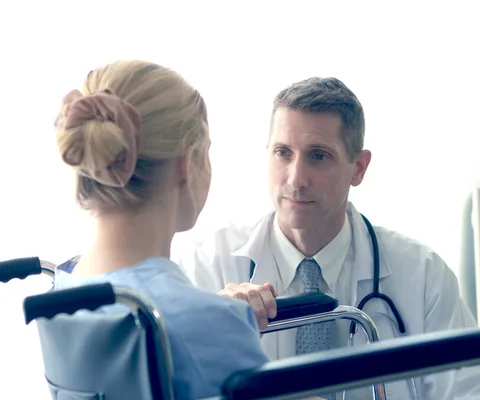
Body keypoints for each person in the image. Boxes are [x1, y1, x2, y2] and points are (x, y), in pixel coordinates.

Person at [173, 77, 480, 399]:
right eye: (283, 153)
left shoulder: (423, 276)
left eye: (318, 156)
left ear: (358, 168)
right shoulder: (206, 269)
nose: (296, 179)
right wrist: (208, 329)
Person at [49, 60, 271, 400]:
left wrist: (211, 322)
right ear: (187, 162)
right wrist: (220, 326)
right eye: (207, 152)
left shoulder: (63, 291)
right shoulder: (201, 323)